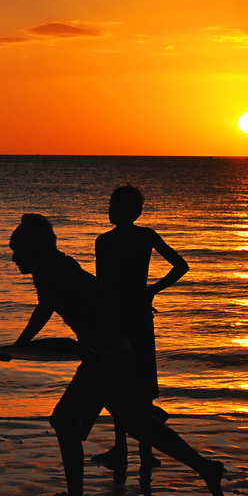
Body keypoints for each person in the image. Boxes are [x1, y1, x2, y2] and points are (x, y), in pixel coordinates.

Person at [7, 213, 224, 496]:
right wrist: (20, 345)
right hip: (110, 353)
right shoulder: (50, 268)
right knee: (139, 426)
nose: (13, 258)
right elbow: (48, 308)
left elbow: (77, 314)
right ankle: (206, 469)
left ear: (34, 250)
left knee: (65, 423)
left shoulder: (56, 272)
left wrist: (22, 346)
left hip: (106, 357)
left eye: (17, 251)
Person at [93, 183, 189, 471]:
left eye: (114, 205)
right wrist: (150, 291)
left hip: (118, 318)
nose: (110, 210)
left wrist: (149, 292)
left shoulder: (105, 241)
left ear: (128, 210)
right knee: (141, 385)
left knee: (121, 382)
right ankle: (141, 451)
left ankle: (124, 449)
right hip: (138, 316)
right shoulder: (144, 236)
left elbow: (102, 286)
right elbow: (180, 266)